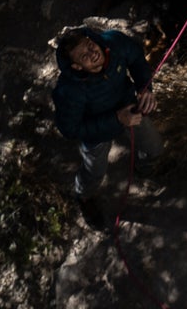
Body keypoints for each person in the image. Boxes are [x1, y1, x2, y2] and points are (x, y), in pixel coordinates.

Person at [52, 23, 157, 222]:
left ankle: (143, 167)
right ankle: (84, 196)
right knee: (94, 172)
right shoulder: (69, 91)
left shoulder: (114, 42)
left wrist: (145, 88)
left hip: (130, 106)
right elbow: (69, 128)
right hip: (97, 133)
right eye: (84, 56)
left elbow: (136, 59)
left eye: (90, 46)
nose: (93, 54)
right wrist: (117, 119)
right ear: (76, 66)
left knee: (155, 147)